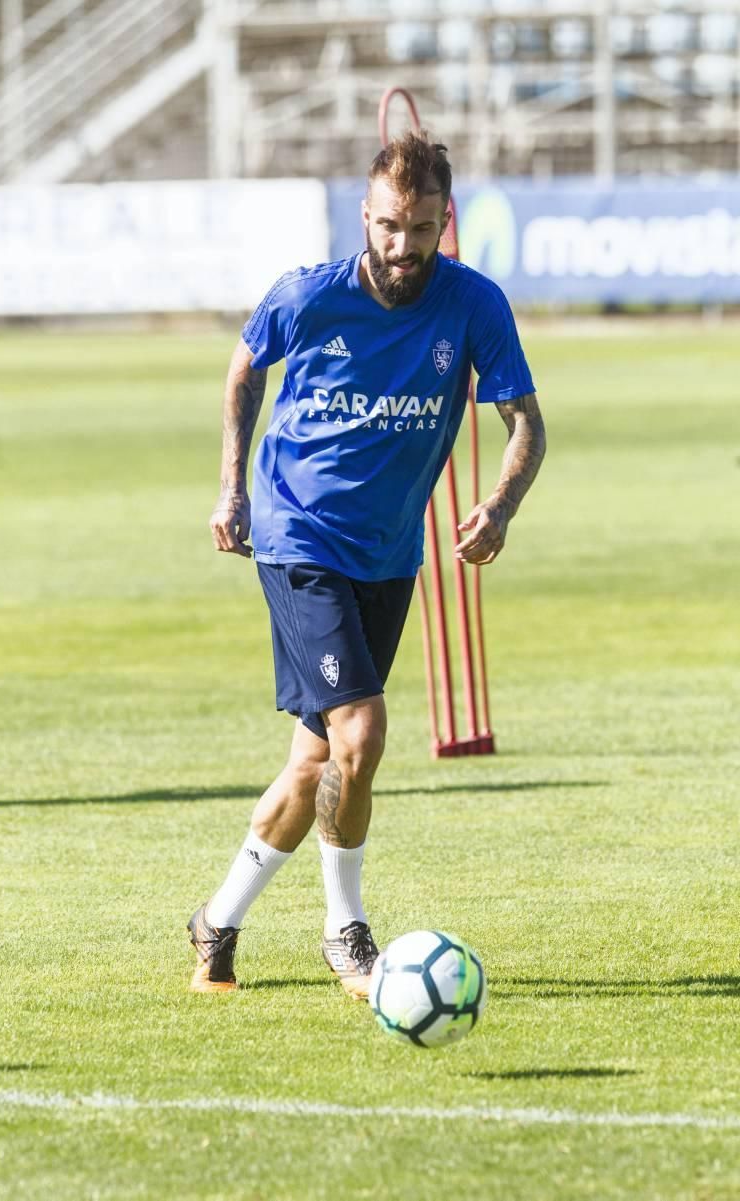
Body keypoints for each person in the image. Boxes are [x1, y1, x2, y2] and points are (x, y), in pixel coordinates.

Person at [189, 131, 546, 998]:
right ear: (365, 216)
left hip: (389, 554)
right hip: (297, 536)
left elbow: (526, 424)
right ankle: (345, 931)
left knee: (319, 759)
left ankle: (217, 922)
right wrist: (232, 487)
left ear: (443, 221)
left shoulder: (474, 305)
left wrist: (498, 509)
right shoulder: (308, 295)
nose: (401, 246)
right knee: (363, 731)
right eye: (388, 226)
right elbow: (244, 371)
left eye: (419, 228)